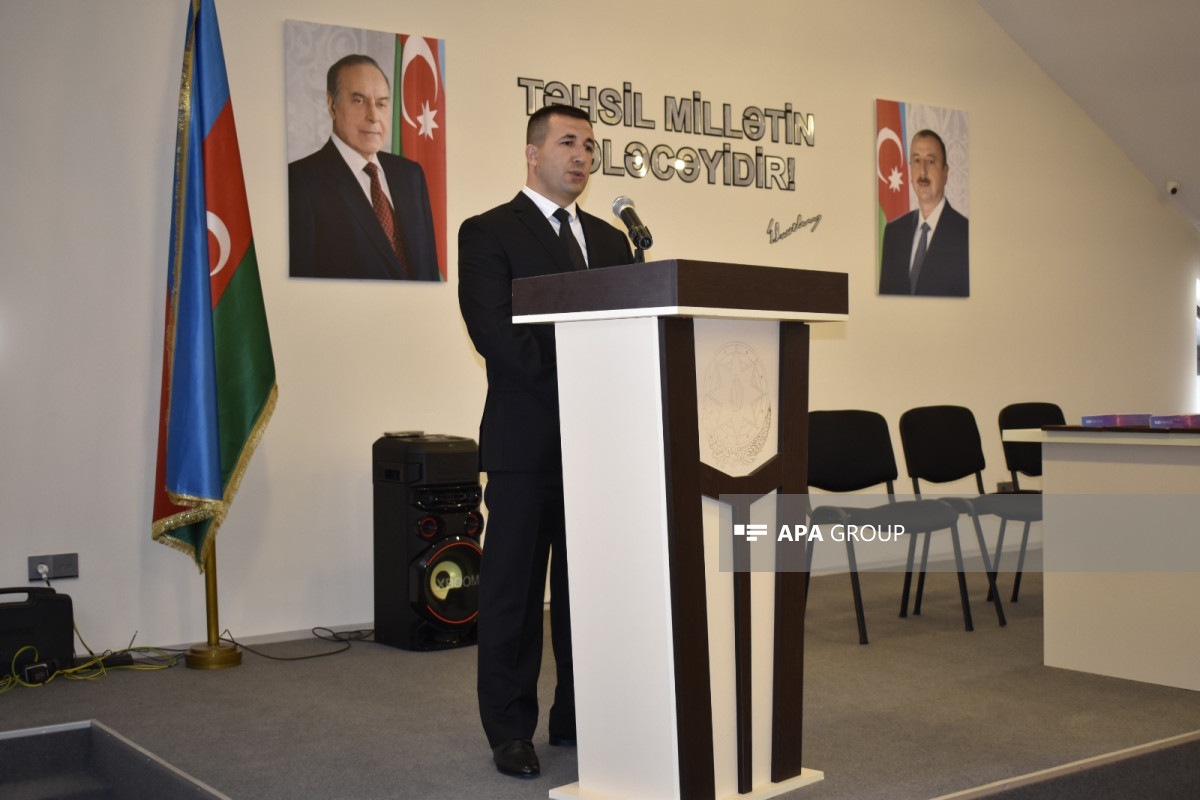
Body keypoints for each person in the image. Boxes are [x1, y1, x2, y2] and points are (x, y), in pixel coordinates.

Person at [458, 104, 633, 778]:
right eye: (567, 142)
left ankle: (579, 716)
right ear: (532, 153)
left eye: (589, 145)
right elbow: (496, 336)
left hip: (599, 451)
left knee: (588, 593)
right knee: (515, 593)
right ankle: (509, 728)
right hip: (526, 443)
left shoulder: (612, 241)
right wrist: (582, 391)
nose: (582, 155)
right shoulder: (490, 232)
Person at [288, 54, 439, 281]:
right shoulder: (300, 181)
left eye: (381, 104)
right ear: (332, 105)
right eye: (359, 101)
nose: (373, 116)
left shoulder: (411, 175)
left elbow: (429, 271)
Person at [878, 129, 969, 297]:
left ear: (945, 172)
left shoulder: (965, 234)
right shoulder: (893, 233)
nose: (922, 172)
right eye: (917, 161)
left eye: (931, 161)